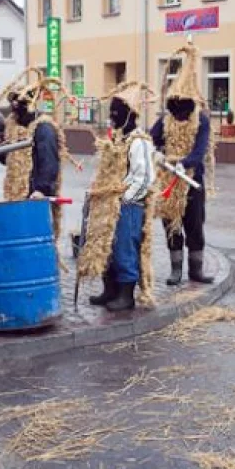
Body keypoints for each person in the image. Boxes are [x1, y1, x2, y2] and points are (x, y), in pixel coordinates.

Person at [78, 82, 157, 312]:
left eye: (116, 111)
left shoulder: (139, 141)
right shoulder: (118, 139)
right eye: (111, 111)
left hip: (129, 206)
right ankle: (110, 289)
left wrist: (125, 199)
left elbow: (144, 178)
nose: (112, 116)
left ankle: (126, 295)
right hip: (110, 205)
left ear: (129, 113)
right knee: (107, 247)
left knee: (124, 247)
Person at [151, 41, 215, 286]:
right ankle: (175, 269)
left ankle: (196, 270)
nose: (178, 112)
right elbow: (151, 140)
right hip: (168, 181)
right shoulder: (165, 120)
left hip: (192, 181)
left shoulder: (202, 121)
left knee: (194, 225)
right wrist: (156, 154)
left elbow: (200, 150)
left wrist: (185, 163)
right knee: (171, 225)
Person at [0, 70, 70, 239]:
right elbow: (10, 160)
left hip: (34, 196)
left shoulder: (43, 128)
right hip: (15, 196)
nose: (14, 110)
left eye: (18, 104)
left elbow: (49, 161)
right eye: (13, 104)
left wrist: (41, 190)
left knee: (36, 239)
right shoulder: (14, 128)